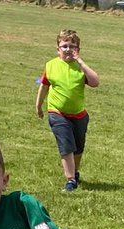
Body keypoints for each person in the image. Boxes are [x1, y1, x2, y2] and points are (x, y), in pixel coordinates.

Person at [36, 29, 99, 193]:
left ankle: (75, 172)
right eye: (64, 46)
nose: (68, 49)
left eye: (72, 46)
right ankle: (70, 180)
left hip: (79, 115)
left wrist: (81, 63)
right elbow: (44, 86)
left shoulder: (80, 68)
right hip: (57, 113)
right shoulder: (51, 65)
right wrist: (39, 106)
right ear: (58, 49)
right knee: (66, 146)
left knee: (78, 148)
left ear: (78, 50)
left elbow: (95, 82)